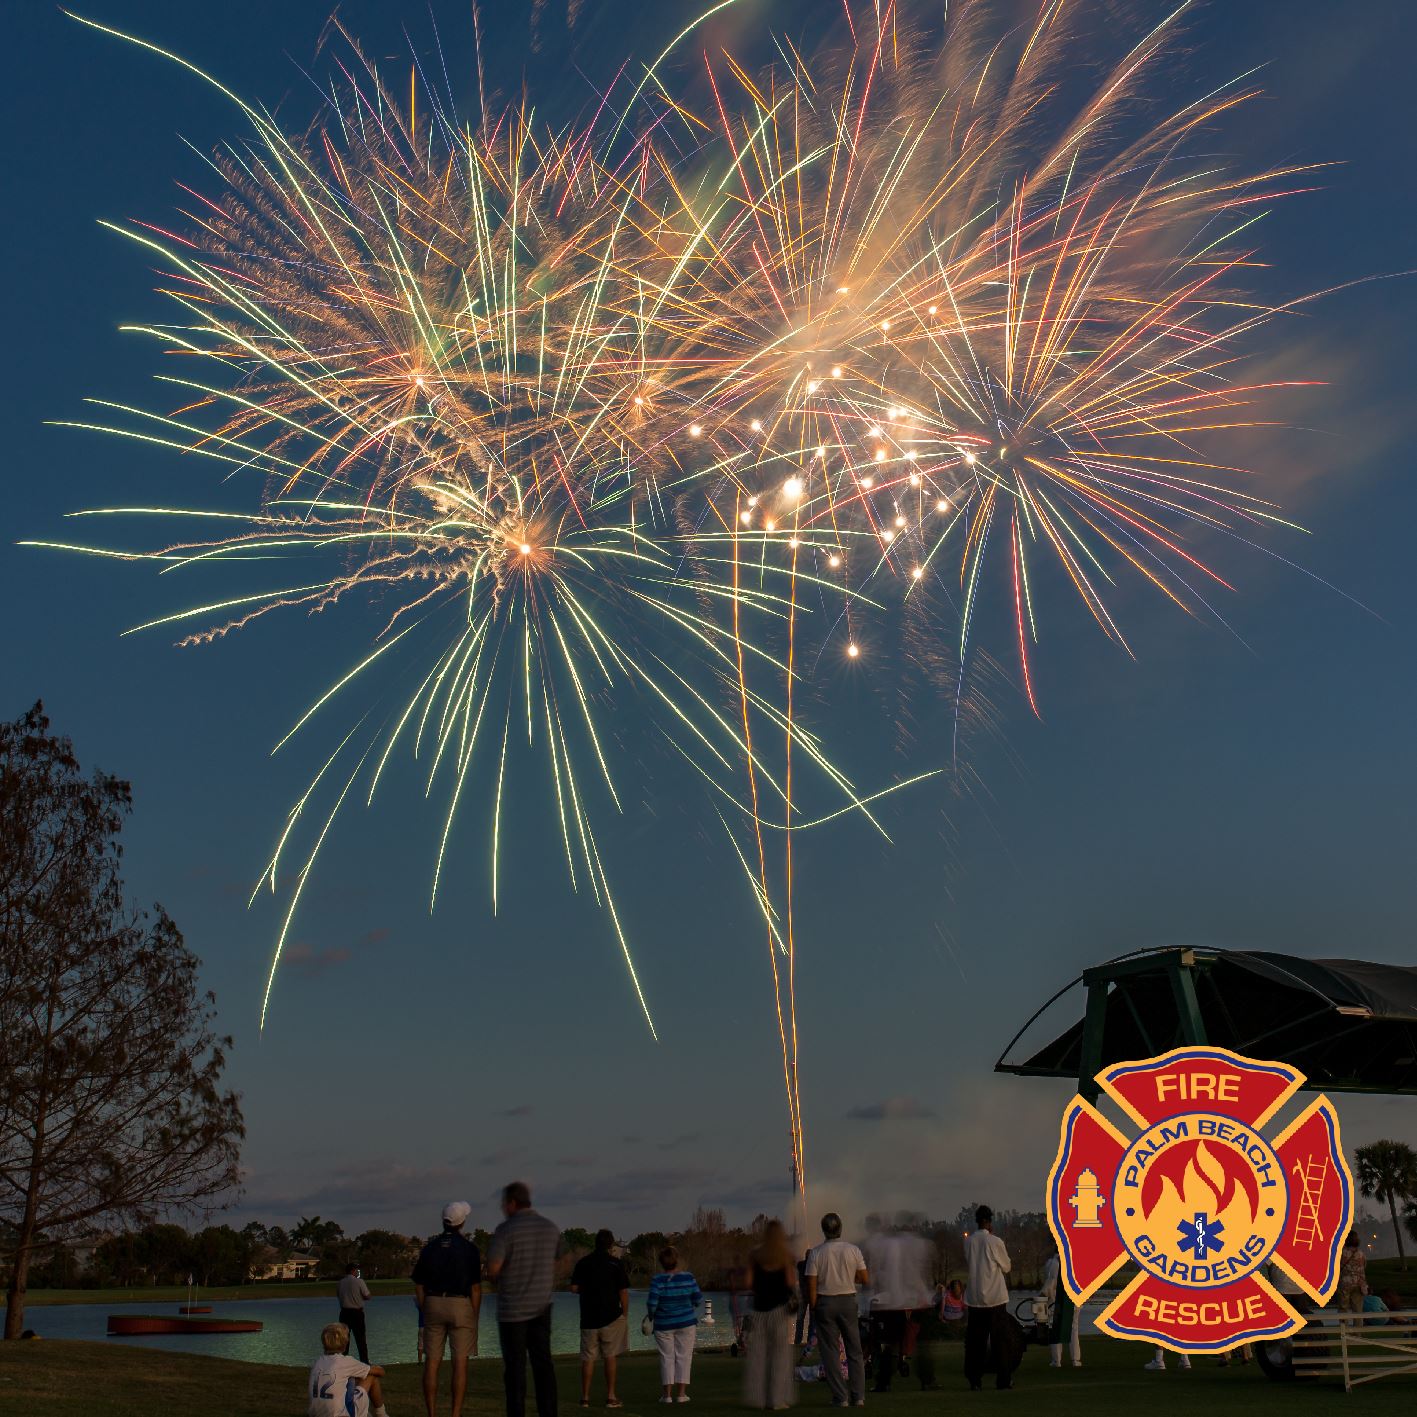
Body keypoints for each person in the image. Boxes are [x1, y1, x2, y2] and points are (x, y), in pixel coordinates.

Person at [488, 1181, 562, 1417]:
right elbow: (558, 1261)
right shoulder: (550, 1228)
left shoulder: (505, 1230)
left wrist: (497, 1279)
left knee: (515, 1370)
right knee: (543, 1366)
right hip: (542, 1306)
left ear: (512, 1203)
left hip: (512, 1310)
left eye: (504, 1204)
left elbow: (493, 1268)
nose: (503, 1208)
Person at [412, 1201, 483, 1417]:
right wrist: (474, 1317)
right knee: (459, 1364)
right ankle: (455, 1414)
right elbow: (476, 1288)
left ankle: (432, 1414)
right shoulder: (469, 1249)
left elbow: (419, 1285)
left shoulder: (429, 1248)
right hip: (460, 1304)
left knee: (432, 1362)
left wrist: (425, 1307)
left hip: (433, 1302)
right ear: (462, 1223)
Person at [804, 1212, 868, 1409]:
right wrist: (850, 1278)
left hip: (825, 1302)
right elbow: (865, 1279)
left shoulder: (815, 1253)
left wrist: (813, 1308)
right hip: (848, 1301)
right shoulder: (853, 1250)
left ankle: (841, 1397)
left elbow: (811, 1285)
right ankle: (858, 1396)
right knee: (854, 1350)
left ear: (824, 1230)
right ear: (840, 1228)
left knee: (830, 1353)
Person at [863, 1220, 934, 1392]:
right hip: (901, 1302)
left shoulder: (883, 1248)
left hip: (890, 1304)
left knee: (889, 1343)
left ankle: (884, 1381)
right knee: (905, 1341)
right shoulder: (912, 1247)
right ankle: (923, 1379)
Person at [571, 1229, 629, 1409]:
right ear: (611, 1245)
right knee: (610, 1356)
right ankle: (611, 1397)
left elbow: (574, 1288)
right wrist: (625, 1314)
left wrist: (588, 1290)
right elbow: (623, 1291)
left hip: (588, 1317)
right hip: (611, 1316)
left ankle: (585, 1398)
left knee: (588, 1358)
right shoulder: (615, 1264)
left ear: (595, 1243)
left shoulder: (583, 1262)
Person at [744, 1220, 799, 1410]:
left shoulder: (755, 1254)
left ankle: (759, 1398)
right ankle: (777, 1399)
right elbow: (790, 1283)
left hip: (759, 1309)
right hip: (779, 1310)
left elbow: (748, 1282)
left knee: (759, 1356)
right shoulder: (786, 1255)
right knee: (780, 1356)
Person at [963, 1205, 1013, 1392]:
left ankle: (974, 1380)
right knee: (1001, 1342)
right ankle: (1003, 1380)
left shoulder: (969, 1242)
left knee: (976, 1343)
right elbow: (1006, 1267)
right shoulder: (995, 1241)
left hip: (975, 1298)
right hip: (995, 1298)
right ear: (989, 1221)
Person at [647, 1244, 702, 1403]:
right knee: (684, 1357)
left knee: (667, 1358)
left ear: (662, 1262)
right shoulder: (688, 1277)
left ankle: (667, 1395)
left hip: (663, 1323)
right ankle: (681, 1394)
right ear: (677, 1260)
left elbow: (652, 1304)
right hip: (686, 1322)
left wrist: (651, 1316)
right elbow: (698, 1299)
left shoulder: (657, 1280)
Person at [308, 1321, 390, 1417]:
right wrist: (377, 1368)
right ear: (345, 1343)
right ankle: (382, 1414)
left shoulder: (318, 1362)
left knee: (351, 1380)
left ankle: (364, 1412)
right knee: (372, 1377)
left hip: (316, 1414)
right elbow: (380, 1372)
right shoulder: (345, 1361)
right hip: (340, 1415)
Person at [1039, 1247, 1080, 1368]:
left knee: (1055, 1329)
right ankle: (1076, 1360)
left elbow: (1050, 1282)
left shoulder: (1053, 1263)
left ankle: (1056, 1360)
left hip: (1057, 1300)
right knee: (1073, 1329)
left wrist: (1042, 1295)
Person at [339, 1262, 373, 1364]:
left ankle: (342, 1361)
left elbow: (339, 1295)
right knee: (360, 1339)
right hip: (356, 1313)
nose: (357, 1272)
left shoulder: (341, 1282)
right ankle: (364, 1361)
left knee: (344, 1339)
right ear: (352, 1271)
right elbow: (367, 1296)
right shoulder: (359, 1282)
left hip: (344, 1313)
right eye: (356, 1270)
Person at [1337, 1230, 1367, 1312]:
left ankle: (1344, 1321)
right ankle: (1358, 1321)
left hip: (1345, 1283)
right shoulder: (1361, 1253)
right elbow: (1364, 1267)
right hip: (1359, 1283)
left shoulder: (1342, 1253)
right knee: (1358, 1309)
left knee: (1343, 1308)